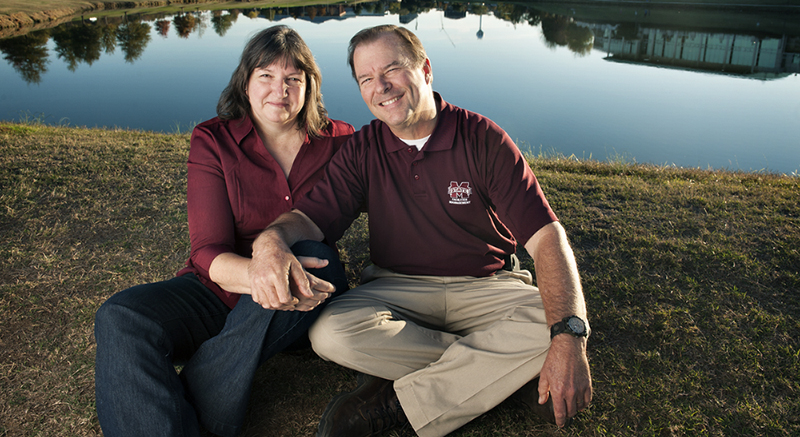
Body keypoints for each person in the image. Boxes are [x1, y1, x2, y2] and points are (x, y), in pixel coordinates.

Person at [251, 24, 593, 437]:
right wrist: (270, 241)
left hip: (485, 285)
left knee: (556, 321)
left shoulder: (484, 139)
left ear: (425, 69)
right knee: (329, 332)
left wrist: (570, 338)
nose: (381, 87)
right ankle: (497, 378)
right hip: (399, 289)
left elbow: (548, 240)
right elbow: (310, 219)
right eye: (366, 79)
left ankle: (397, 401)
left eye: (392, 70)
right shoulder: (363, 148)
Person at [93, 25, 354, 437]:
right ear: (245, 81)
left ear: (310, 85)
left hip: (305, 278)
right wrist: (261, 273)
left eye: (293, 79)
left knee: (307, 252)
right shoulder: (213, 139)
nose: (278, 90)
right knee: (121, 315)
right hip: (221, 285)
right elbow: (207, 250)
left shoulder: (339, 140)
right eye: (265, 75)